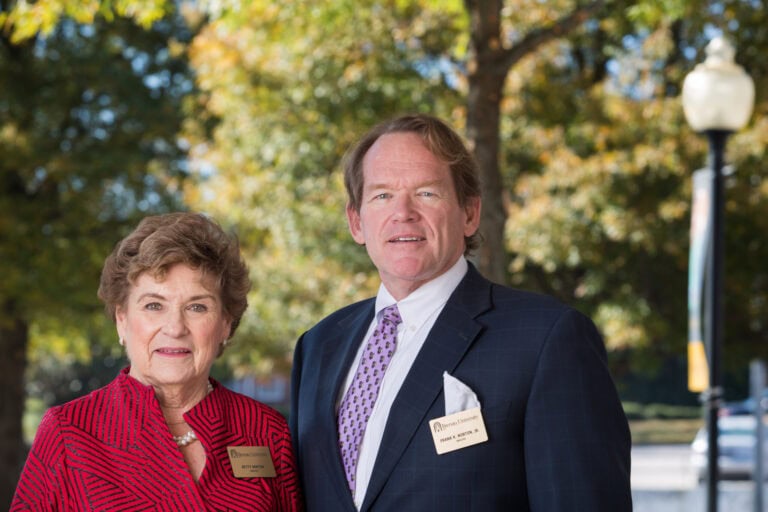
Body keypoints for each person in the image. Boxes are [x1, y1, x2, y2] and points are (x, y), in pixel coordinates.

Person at [289, 113, 632, 511]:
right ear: (356, 221)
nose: (403, 212)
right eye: (382, 195)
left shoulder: (546, 340)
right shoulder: (319, 345)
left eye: (426, 193)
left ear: (469, 213)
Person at [12, 212, 304, 511]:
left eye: (197, 307)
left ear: (225, 325)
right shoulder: (68, 432)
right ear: (122, 320)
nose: (175, 327)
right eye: (154, 305)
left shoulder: (266, 431)